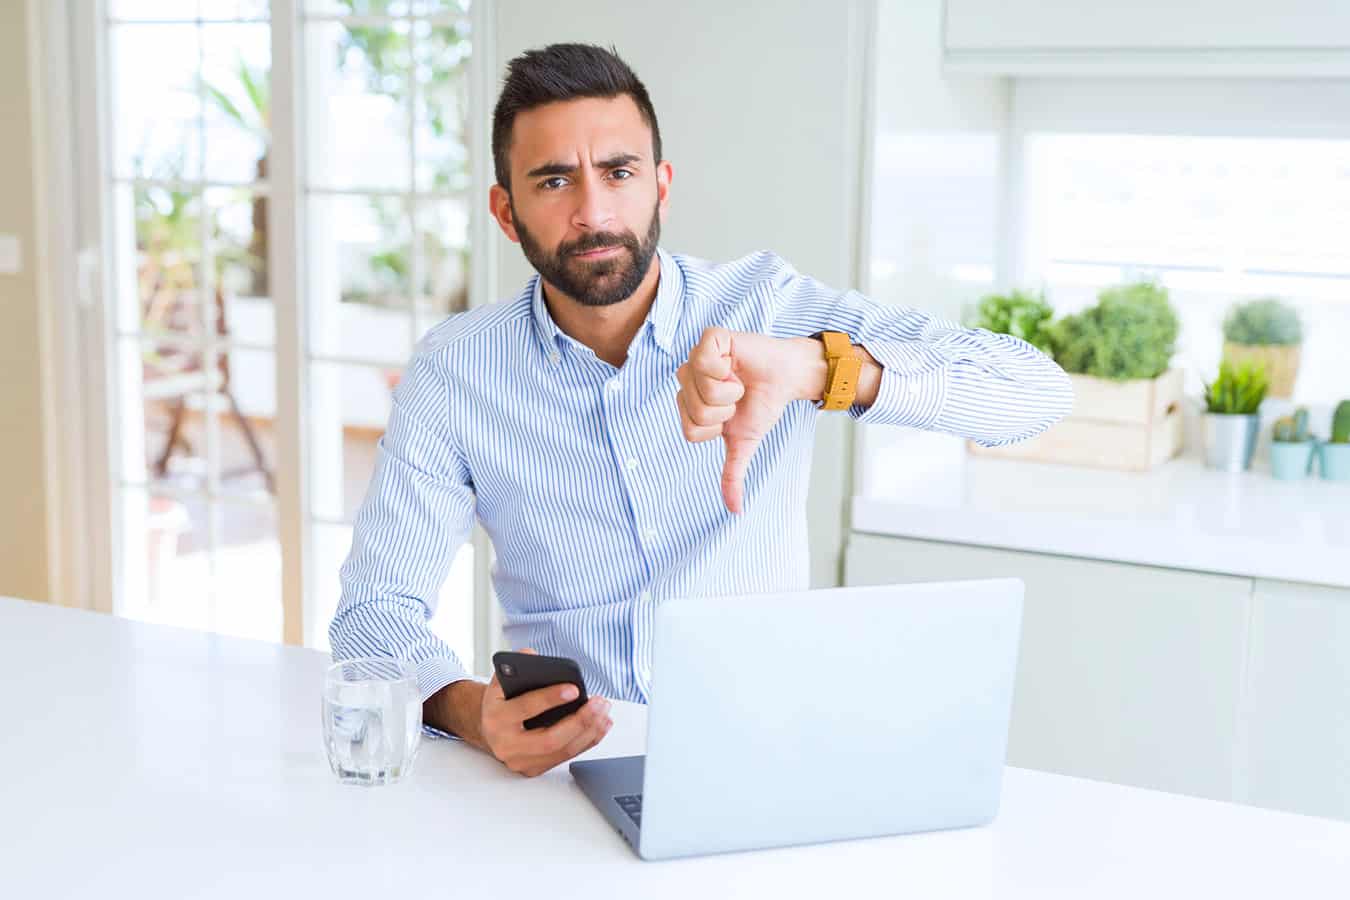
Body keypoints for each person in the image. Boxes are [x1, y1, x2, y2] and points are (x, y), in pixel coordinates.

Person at [330, 43, 1072, 778]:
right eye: (554, 181)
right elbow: (373, 615)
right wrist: (474, 714)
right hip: (566, 775)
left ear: (661, 184)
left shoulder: (767, 307)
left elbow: (1034, 393)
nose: (594, 212)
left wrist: (819, 366)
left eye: (618, 173)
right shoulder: (455, 371)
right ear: (505, 210)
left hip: (768, 753)